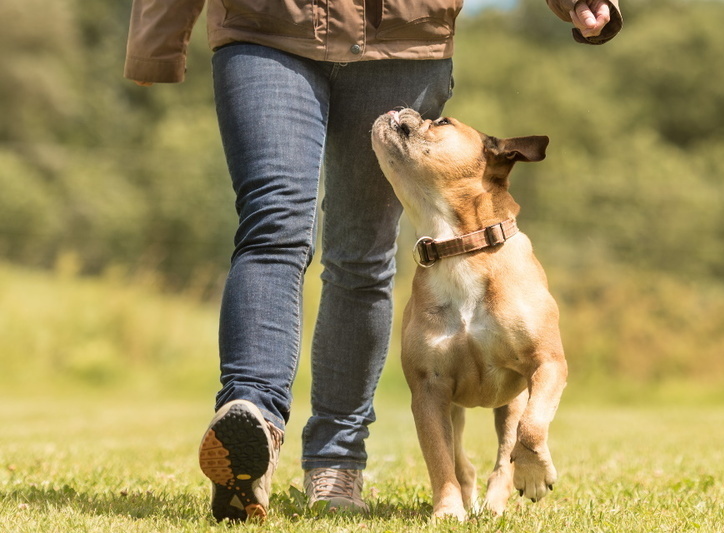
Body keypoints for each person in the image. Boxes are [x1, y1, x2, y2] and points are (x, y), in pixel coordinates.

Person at [124, 0, 622, 522]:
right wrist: (156, 40)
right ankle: (254, 420)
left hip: (403, 35)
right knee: (273, 225)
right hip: (265, 25)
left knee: (361, 255)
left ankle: (336, 461)